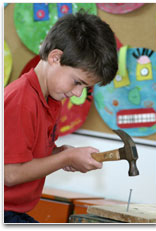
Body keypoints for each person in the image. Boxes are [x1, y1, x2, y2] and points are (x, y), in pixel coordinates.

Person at [4, 11, 118, 223]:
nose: (77, 93)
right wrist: (64, 159)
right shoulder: (21, 100)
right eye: (77, 82)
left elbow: (28, 155)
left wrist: (59, 152)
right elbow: (9, 174)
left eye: (85, 87)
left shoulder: (51, 99)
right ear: (55, 58)